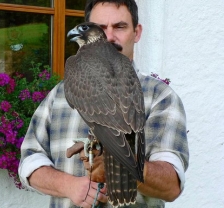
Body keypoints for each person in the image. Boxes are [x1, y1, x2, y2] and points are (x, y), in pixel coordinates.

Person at [18, 0, 189, 207]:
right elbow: (29, 160)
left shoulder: (160, 96)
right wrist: (70, 186)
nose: (108, 37)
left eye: (120, 26)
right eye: (100, 28)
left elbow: (171, 187)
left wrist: (121, 161)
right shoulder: (60, 93)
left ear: (137, 32)